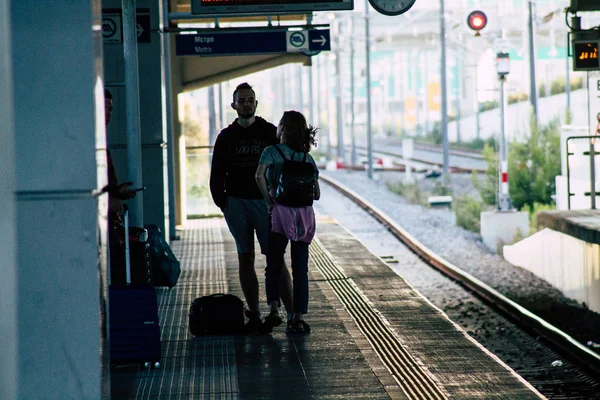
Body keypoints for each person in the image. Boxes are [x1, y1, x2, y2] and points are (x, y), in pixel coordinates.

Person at [210, 82, 293, 333]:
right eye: (241, 100)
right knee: (245, 257)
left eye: (250, 100)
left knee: (275, 258)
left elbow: (284, 163)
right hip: (236, 203)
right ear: (233, 105)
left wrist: (278, 200)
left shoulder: (269, 132)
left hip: (265, 204)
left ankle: (291, 315)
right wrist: (223, 202)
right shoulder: (226, 137)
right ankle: (255, 314)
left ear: (256, 104)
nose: (246, 104)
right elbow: (216, 173)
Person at [255, 110, 320, 334]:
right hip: (304, 218)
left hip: (280, 215)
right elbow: (317, 194)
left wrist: (269, 200)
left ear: (282, 129)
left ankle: (274, 309)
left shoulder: (271, 152)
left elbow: (258, 176)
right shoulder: (307, 159)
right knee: (300, 267)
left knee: (274, 263)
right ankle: (298, 318)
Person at [103, 88, 136, 212]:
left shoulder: (102, 142)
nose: (107, 113)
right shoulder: (84, 143)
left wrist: (117, 191)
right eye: (102, 108)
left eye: (110, 109)